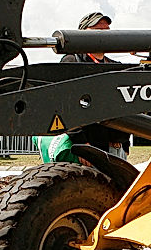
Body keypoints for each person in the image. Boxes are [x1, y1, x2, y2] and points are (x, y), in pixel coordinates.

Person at [51, 11, 131, 160]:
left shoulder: (115, 66)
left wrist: (124, 143)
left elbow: (125, 105)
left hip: (116, 149)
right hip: (89, 147)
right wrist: (82, 144)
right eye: (97, 31)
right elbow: (65, 106)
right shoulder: (72, 62)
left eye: (107, 31)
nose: (104, 35)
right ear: (82, 34)